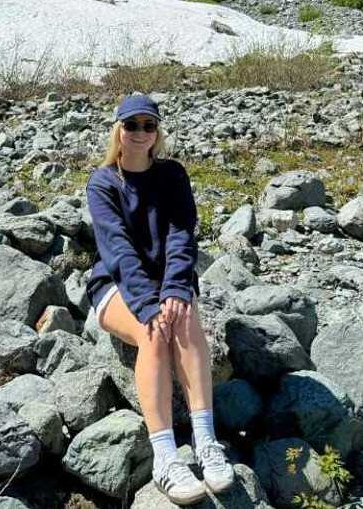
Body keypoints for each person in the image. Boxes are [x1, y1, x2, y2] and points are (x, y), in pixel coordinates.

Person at [85, 93, 234, 505]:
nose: (139, 133)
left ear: (157, 132)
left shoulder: (172, 174)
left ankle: (206, 443)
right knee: (154, 332)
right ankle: (165, 457)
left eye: (148, 125)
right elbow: (116, 250)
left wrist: (174, 289)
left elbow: (182, 234)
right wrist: (150, 304)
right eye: (131, 125)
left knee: (184, 318)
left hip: (165, 278)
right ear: (119, 130)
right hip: (117, 284)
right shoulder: (103, 182)